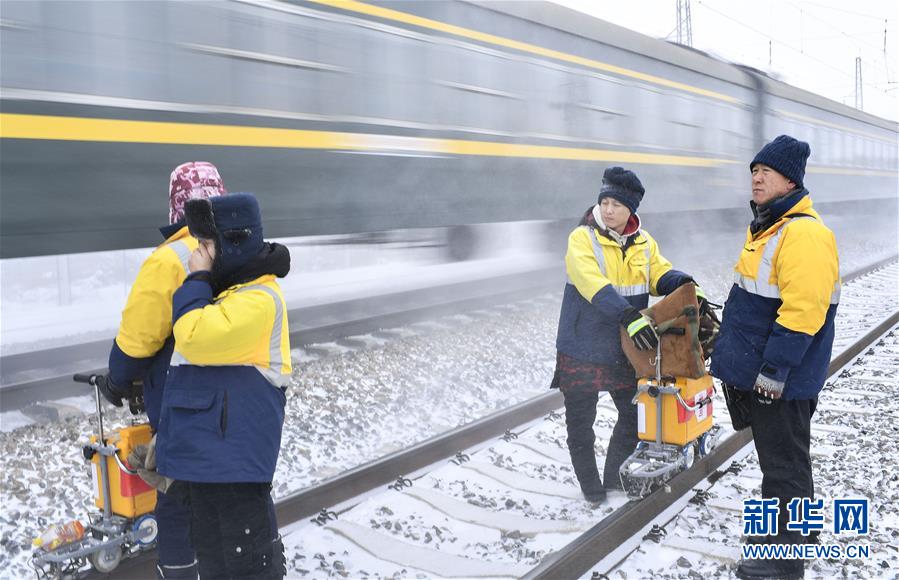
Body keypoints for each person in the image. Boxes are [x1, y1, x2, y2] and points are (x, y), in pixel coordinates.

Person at [711, 135, 840, 580]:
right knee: (781, 463)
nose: (757, 177)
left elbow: (804, 311)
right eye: (754, 170)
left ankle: (784, 563)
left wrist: (774, 369)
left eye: (767, 171)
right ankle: (790, 538)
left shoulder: (803, 233)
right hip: (770, 374)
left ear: (792, 179)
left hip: (781, 378)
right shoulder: (771, 228)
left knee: (783, 466)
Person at [156, 192, 291, 579]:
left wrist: (196, 279)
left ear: (235, 242)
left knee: (246, 569)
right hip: (210, 468)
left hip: (234, 473)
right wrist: (167, 449)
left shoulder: (258, 300)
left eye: (206, 244)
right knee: (215, 566)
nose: (197, 253)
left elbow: (194, 337)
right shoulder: (230, 294)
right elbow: (194, 384)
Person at [103, 161, 227, 579]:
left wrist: (117, 378)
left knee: (177, 497)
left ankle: (181, 572)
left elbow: (138, 338)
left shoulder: (172, 257)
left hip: (188, 405)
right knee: (232, 495)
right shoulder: (242, 248)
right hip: (240, 403)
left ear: (176, 207)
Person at [552, 166, 704, 503]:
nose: (608, 210)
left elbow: (658, 273)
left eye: (616, 205)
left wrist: (683, 283)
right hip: (581, 346)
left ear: (631, 210)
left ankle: (612, 479)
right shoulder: (582, 238)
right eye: (604, 202)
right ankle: (591, 490)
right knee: (580, 423)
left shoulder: (643, 242)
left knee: (634, 413)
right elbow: (591, 281)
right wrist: (628, 315)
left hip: (621, 347)